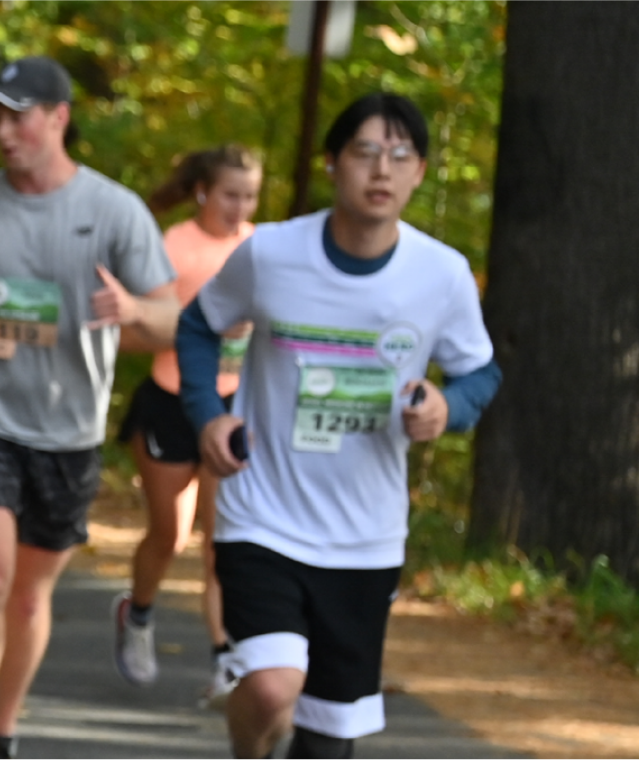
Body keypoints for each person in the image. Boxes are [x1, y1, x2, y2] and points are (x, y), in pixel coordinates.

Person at [182, 93, 500, 760]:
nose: (382, 169)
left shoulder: (440, 274)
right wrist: (208, 416)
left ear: (418, 173)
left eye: (401, 155)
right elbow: (197, 327)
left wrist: (449, 408)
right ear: (333, 164)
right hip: (262, 513)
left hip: (364, 536)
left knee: (330, 738)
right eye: (365, 152)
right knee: (271, 688)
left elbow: (479, 374)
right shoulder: (271, 253)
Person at [0, 57, 179, 760]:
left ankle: (8, 722)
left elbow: (174, 320)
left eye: (17, 115)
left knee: (27, 596)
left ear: (59, 118)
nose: (2, 130)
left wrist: (136, 308)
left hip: (68, 429)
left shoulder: (115, 211)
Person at [110, 144, 261, 697]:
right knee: (170, 534)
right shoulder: (174, 246)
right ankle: (139, 614)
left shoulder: (260, 249)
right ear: (202, 192)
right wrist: (200, 331)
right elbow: (136, 332)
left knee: (223, 541)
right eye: (230, 195)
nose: (240, 207)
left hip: (235, 407)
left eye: (250, 196)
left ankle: (225, 658)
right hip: (172, 402)